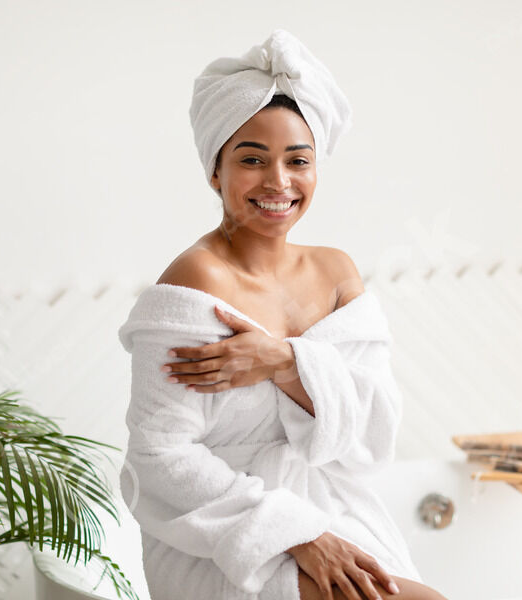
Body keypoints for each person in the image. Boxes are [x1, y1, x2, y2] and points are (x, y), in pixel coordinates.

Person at [118, 30, 449, 600]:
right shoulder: (196, 281)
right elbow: (158, 457)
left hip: (332, 507)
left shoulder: (336, 272)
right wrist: (297, 534)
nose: (278, 182)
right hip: (223, 536)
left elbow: (373, 433)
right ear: (215, 170)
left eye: (298, 160)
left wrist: (284, 362)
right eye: (252, 159)